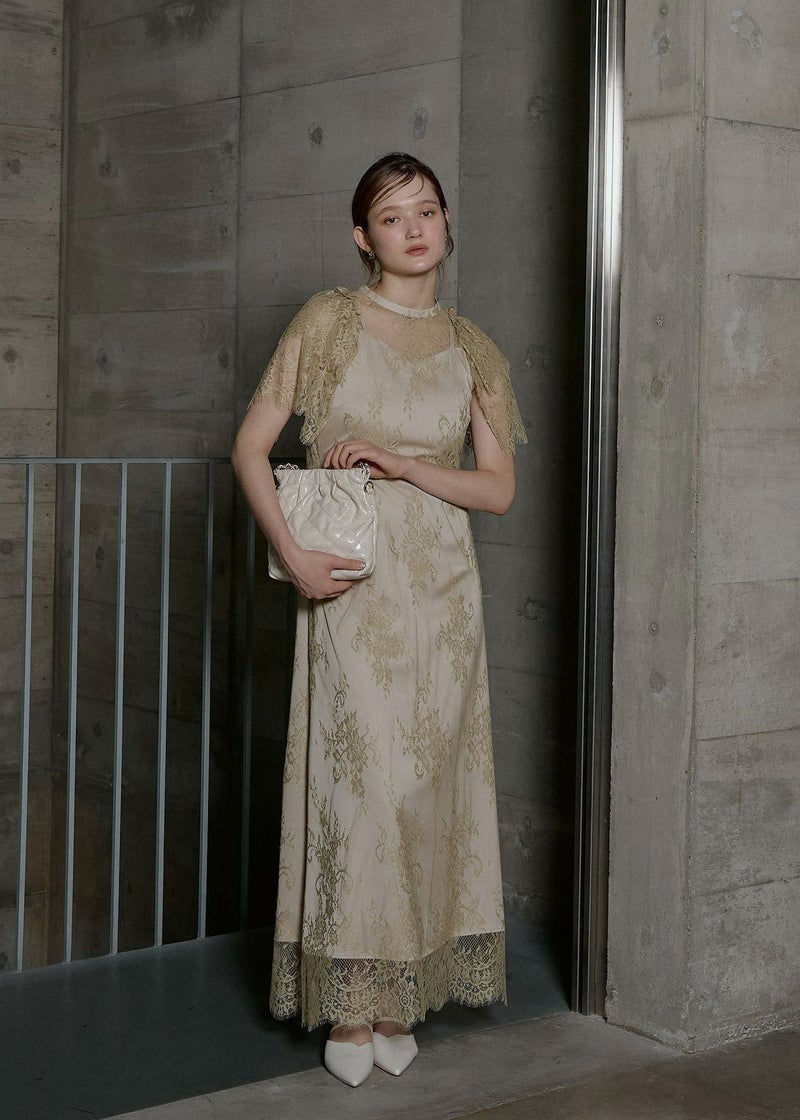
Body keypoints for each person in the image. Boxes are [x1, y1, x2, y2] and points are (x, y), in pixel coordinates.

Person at [231, 152, 527, 1087]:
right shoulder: (327, 321)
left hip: (445, 600)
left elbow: (498, 489)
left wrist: (403, 464)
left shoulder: (474, 348)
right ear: (363, 237)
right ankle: (352, 1005)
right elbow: (249, 449)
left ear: (447, 224)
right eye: (392, 216)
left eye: (427, 210)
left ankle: (400, 998)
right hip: (355, 591)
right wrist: (293, 553)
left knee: (426, 793)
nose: (414, 228)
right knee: (360, 791)